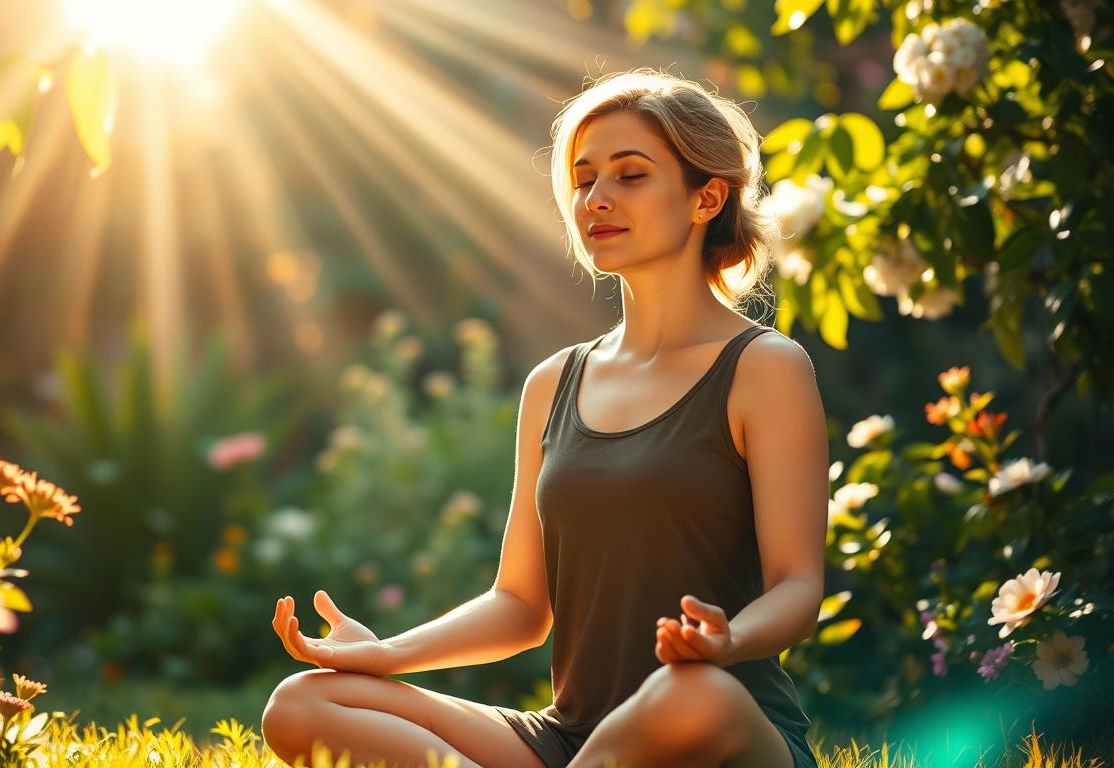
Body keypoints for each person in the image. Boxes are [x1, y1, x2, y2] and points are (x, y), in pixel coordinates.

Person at [261, 68, 828, 768]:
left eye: (631, 175)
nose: (598, 199)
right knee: (302, 702)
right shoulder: (553, 382)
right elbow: (520, 604)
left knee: (690, 693)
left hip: (716, 731)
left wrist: (727, 643)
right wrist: (385, 653)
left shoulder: (764, 367)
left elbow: (799, 587)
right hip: (572, 740)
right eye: (586, 179)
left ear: (706, 197)